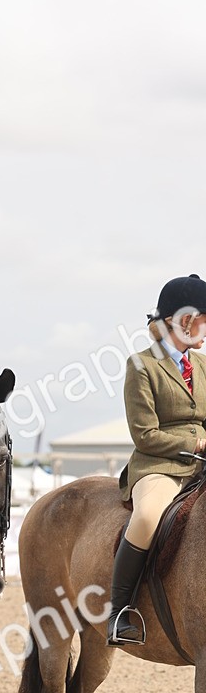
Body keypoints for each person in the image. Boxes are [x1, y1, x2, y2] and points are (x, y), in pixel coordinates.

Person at [109, 274, 206, 644]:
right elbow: (144, 434)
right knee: (148, 516)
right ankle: (120, 612)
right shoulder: (142, 366)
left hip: (200, 465)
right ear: (183, 320)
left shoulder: (203, 365)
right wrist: (197, 443)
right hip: (159, 465)